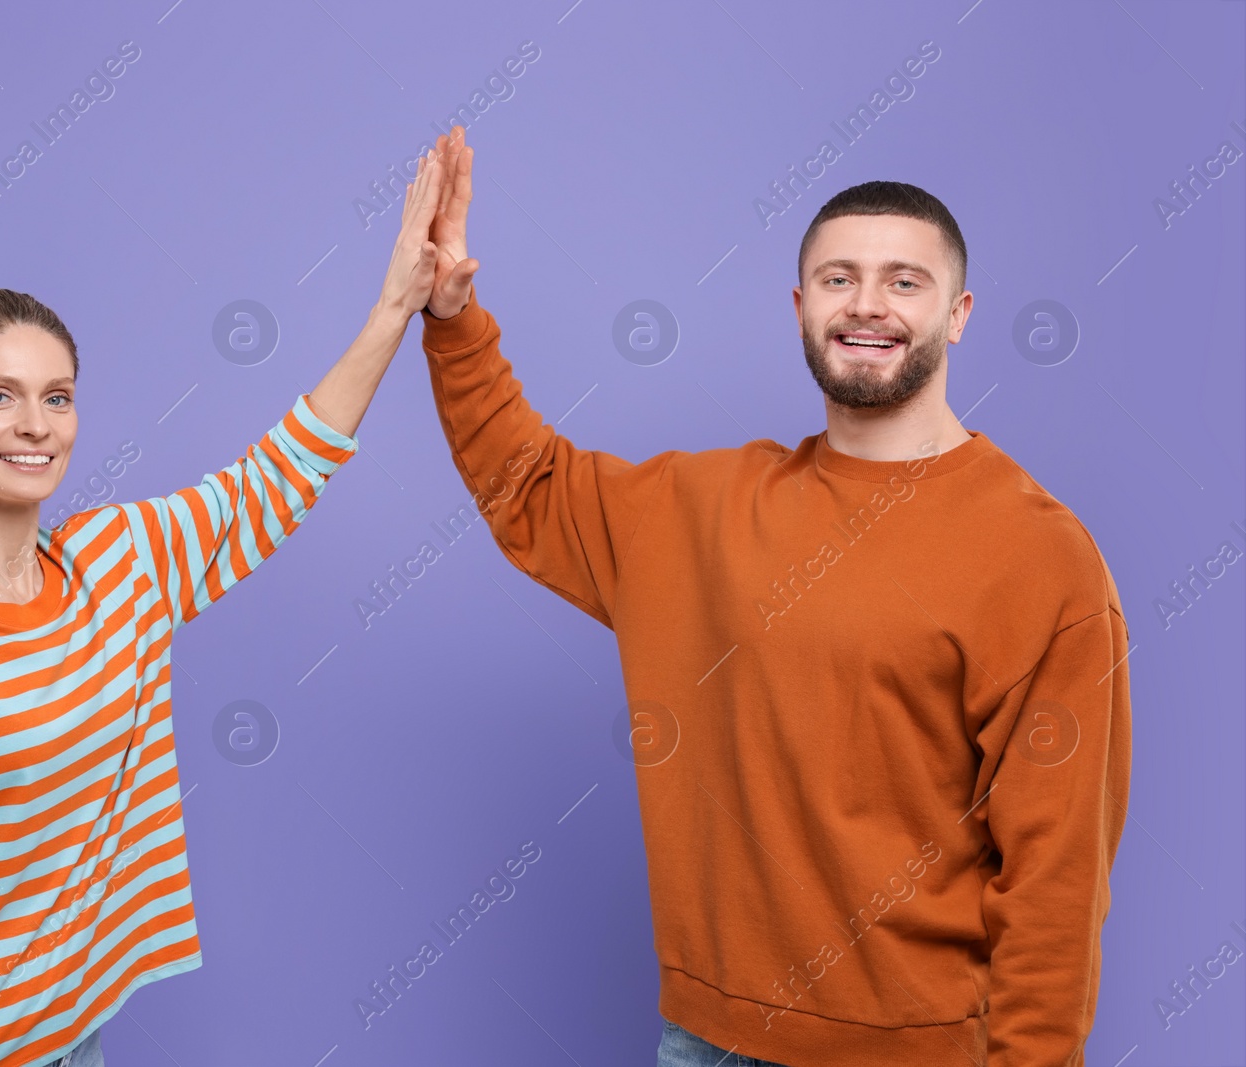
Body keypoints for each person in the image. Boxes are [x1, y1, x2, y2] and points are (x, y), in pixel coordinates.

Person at [417, 126, 1131, 1067]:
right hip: (705, 1042)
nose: (866, 305)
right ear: (801, 306)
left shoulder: (1041, 556)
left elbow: (1056, 877)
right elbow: (530, 484)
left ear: (958, 314)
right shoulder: (697, 510)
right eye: (839, 279)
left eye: (903, 282)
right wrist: (453, 315)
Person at [0, 147, 450, 1067]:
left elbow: (284, 468)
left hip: (76, 1036)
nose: (35, 425)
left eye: (57, 397)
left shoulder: (121, 564)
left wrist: (397, 305)